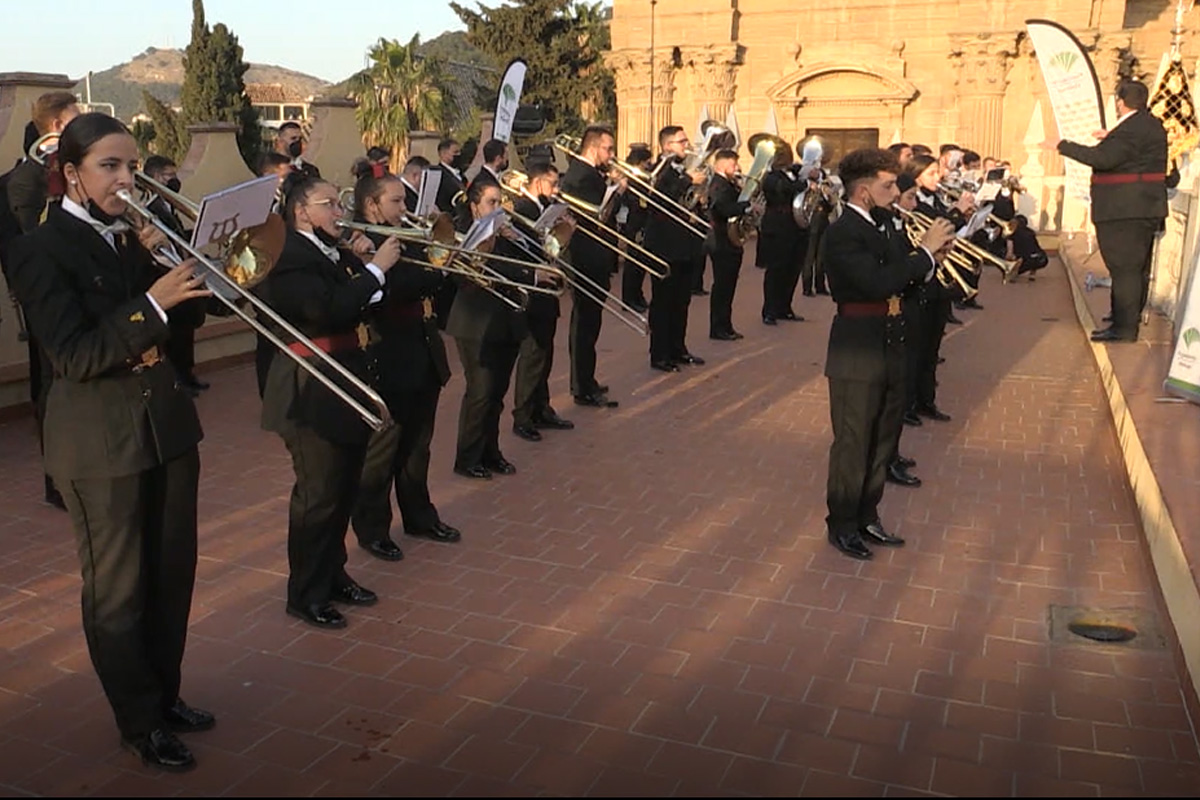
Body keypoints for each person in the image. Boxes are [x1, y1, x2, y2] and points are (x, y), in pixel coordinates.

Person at [7, 112, 216, 771]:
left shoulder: (135, 233)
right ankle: (139, 720)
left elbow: (195, 317)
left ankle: (166, 694)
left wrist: (177, 264)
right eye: (111, 167)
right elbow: (71, 354)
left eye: (132, 166)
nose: (128, 180)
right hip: (99, 440)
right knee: (119, 590)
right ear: (70, 174)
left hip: (167, 425)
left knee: (172, 573)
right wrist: (150, 303)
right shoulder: (38, 250)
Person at [259, 176, 400, 630]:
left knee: (342, 487)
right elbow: (326, 310)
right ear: (301, 211)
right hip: (310, 385)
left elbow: (357, 303)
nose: (340, 211)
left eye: (339, 203)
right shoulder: (286, 254)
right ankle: (305, 592)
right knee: (317, 495)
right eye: (330, 204)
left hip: (344, 376)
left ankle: (332, 574)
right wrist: (376, 269)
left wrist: (363, 270)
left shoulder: (328, 249)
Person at [822, 147, 952, 560]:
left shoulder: (883, 225)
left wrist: (929, 263)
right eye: (889, 185)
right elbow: (877, 282)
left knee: (883, 438)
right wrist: (925, 256)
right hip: (858, 348)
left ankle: (867, 515)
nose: (896, 192)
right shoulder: (843, 231)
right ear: (863, 192)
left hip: (892, 341)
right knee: (854, 441)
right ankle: (842, 523)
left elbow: (903, 278)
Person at [348, 173, 460, 560]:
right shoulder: (364, 247)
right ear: (371, 206)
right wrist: (438, 267)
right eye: (396, 202)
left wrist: (444, 260)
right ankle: (372, 527)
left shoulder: (406, 235)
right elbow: (398, 287)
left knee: (418, 446)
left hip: (422, 349)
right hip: (388, 354)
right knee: (383, 452)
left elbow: (434, 284)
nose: (404, 209)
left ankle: (419, 514)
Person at [3, 91, 80, 511]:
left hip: (81, 291)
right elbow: (33, 243)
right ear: (55, 127)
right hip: (48, 298)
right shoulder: (27, 180)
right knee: (52, 387)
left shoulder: (71, 172)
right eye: (75, 119)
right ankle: (56, 479)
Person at [1052, 79, 1168, 342]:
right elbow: (1133, 155)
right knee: (1134, 269)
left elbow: (1103, 159)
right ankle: (1126, 317)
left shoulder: (1132, 129)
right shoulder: (1149, 125)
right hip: (1142, 208)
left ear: (1121, 101)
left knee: (1124, 269)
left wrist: (1063, 145)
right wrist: (1111, 137)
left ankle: (1125, 328)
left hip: (1124, 210)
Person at [445, 180, 535, 478]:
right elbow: (466, 277)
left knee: (497, 392)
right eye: (491, 203)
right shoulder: (463, 237)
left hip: (506, 321)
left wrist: (517, 239)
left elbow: (533, 260)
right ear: (474, 207)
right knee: (480, 392)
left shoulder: (506, 234)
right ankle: (467, 457)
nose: (498, 209)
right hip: (475, 325)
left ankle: (491, 451)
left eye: (500, 203)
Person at [510, 162, 575, 439]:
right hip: (533, 292)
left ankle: (541, 407)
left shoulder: (543, 207)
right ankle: (523, 415)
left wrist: (562, 234)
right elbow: (533, 253)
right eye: (552, 183)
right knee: (533, 355)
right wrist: (560, 237)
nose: (556, 189)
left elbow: (549, 252)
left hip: (546, 291)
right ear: (537, 183)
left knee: (545, 354)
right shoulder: (524, 209)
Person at [560, 125, 621, 408]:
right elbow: (598, 215)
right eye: (608, 149)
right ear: (593, 147)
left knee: (591, 322)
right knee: (585, 323)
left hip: (596, 256)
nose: (611, 155)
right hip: (585, 257)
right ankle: (582, 385)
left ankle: (587, 379)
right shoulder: (579, 176)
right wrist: (617, 191)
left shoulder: (589, 173)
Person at [143, 155, 209, 397]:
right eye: (168, 177)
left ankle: (188, 374)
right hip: (165, 275)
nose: (174, 181)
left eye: (174, 175)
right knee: (174, 333)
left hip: (181, 272)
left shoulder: (170, 205)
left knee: (186, 331)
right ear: (154, 178)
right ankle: (178, 378)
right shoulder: (150, 208)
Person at [644, 125, 707, 371]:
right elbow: (661, 198)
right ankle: (659, 354)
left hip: (685, 244)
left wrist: (699, 199)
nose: (687, 145)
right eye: (682, 141)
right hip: (664, 244)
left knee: (681, 301)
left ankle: (678, 348)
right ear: (667, 145)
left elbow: (684, 202)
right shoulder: (657, 169)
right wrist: (689, 180)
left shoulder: (681, 169)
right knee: (663, 302)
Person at [759, 141, 806, 325]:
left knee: (793, 269)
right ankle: (769, 310)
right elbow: (784, 189)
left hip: (796, 227)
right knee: (776, 270)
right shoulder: (771, 177)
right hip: (778, 227)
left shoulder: (794, 173)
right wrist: (801, 182)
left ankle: (785, 307)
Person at [706, 149, 751, 341]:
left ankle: (725, 324)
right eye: (733, 164)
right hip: (722, 239)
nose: (737, 168)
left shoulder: (728, 183)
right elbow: (722, 209)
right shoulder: (718, 184)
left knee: (729, 285)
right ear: (723, 165)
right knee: (723, 285)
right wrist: (746, 206)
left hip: (729, 239)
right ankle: (718, 327)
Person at [615, 144, 651, 312]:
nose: (648, 166)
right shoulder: (631, 178)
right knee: (633, 263)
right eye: (646, 163)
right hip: (634, 222)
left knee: (641, 263)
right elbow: (633, 201)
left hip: (642, 221)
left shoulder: (641, 178)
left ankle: (638, 295)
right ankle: (628, 299)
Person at [434, 138, 464, 213]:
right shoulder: (439, 174)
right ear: (443, 154)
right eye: (455, 152)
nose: (459, 155)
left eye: (459, 152)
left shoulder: (460, 174)